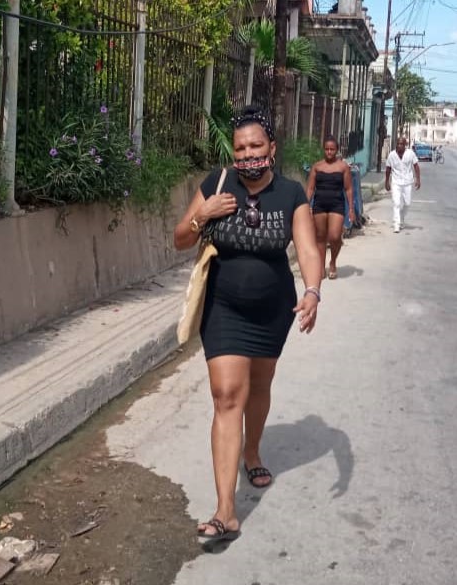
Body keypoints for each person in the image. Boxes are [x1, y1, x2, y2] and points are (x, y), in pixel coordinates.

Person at [172, 105, 323, 543]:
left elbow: (308, 248)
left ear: (271, 148)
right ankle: (225, 511)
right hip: (224, 307)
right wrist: (206, 213)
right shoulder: (216, 185)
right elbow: (181, 238)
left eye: (256, 145)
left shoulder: (292, 193)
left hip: (273, 309)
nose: (248, 153)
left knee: (259, 386)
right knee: (225, 396)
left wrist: (312, 291)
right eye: (241, 147)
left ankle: (252, 450)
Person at [304, 136, 354, 280]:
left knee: (334, 236)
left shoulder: (343, 167)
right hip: (319, 204)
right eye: (327, 149)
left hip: (337, 204)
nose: (329, 152)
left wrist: (351, 209)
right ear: (323, 150)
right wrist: (306, 205)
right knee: (320, 237)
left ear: (337, 150)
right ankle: (321, 266)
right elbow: (310, 188)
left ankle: (333, 261)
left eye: (332, 149)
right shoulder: (317, 166)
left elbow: (349, 188)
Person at [384, 137, 421, 233]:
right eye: (398, 144)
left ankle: (401, 217)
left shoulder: (410, 154)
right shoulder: (392, 155)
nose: (399, 146)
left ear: (405, 145)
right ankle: (396, 224)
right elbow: (388, 169)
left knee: (407, 203)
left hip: (407, 182)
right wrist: (386, 182)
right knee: (396, 203)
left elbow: (416, 166)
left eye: (402, 144)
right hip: (396, 182)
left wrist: (418, 179)